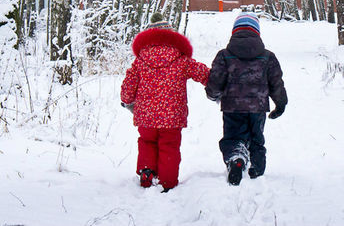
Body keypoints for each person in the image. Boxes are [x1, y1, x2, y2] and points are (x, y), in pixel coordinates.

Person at [120, 14, 209, 192]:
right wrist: (217, 81)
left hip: (146, 115)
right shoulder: (182, 59)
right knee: (169, 146)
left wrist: (126, 100)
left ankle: (147, 174)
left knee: (147, 142)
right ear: (171, 36)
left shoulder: (140, 61)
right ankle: (167, 183)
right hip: (172, 116)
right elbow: (203, 73)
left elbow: (129, 85)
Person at [205, 12, 287, 185]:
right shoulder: (267, 56)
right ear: (257, 32)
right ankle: (257, 167)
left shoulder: (224, 55)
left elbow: (216, 80)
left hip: (232, 107)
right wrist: (280, 103)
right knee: (256, 137)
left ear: (234, 31)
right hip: (258, 107)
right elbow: (276, 83)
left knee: (233, 136)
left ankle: (236, 158)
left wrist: (213, 95)